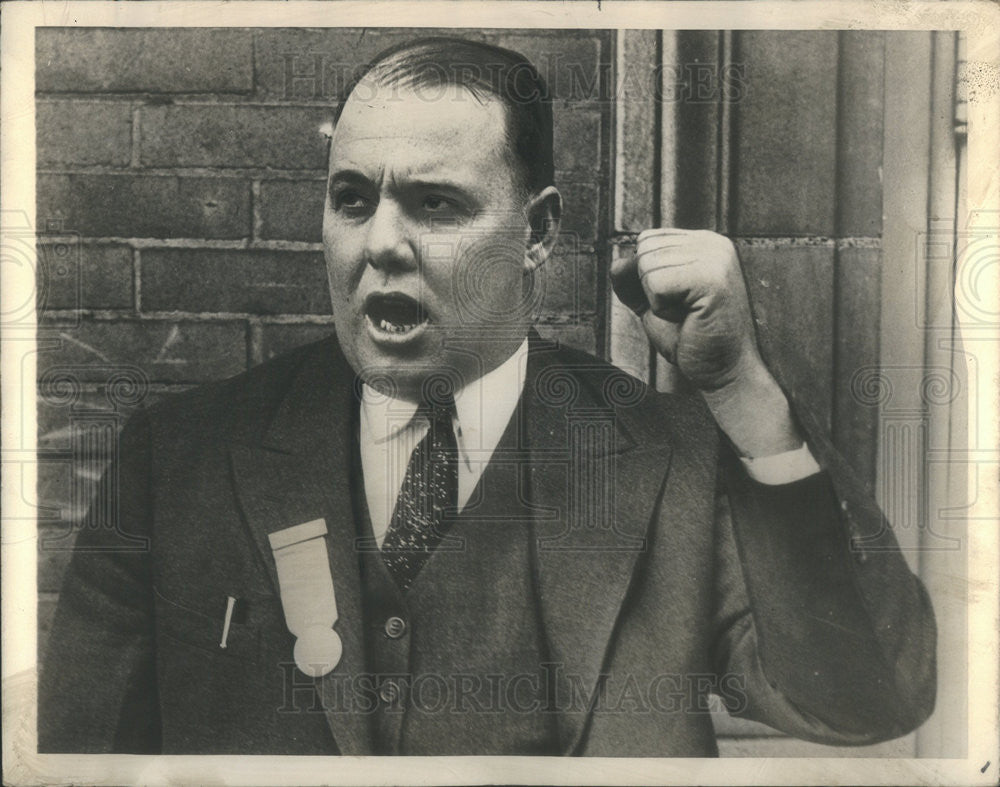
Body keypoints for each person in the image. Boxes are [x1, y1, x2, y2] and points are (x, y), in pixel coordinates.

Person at [39, 36, 936, 757]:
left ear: (537, 230)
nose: (379, 244)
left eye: (434, 205)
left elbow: (868, 697)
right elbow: (82, 759)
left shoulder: (669, 463)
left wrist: (741, 386)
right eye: (352, 199)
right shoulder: (178, 462)